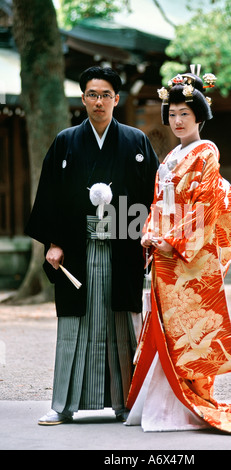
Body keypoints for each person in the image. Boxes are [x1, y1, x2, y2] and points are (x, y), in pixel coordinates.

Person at [125, 68, 231, 435]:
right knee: (165, 327)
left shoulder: (206, 153)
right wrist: (150, 234)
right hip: (165, 252)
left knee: (188, 332)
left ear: (199, 116)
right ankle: (160, 404)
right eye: (172, 114)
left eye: (185, 114)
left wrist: (176, 241)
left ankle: (182, 405)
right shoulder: (169, 157)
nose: (178, 120)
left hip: (188, 258)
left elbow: (207, 205)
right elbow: (158, 203)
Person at [25, 66, 159, 425]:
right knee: (74, 322)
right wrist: (53, 243)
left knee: (122, 321)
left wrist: (147, 235)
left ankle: (126, 404)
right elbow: (50, 195)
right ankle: (63, 404)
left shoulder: (136, 141)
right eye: (92, 95)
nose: (98, 102)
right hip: (76, 245)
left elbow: (153, 194)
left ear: (117, 99)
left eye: (105, 95)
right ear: (82, 98)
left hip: (123, 242)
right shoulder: (66, 141)